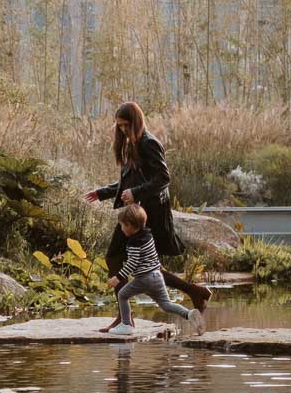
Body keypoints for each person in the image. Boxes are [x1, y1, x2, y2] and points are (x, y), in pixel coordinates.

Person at [85, 101, 212, 331]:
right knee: (146, 266)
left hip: (148, 214)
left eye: (125, 126)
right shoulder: (131, 144)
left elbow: (163, 178)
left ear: (135, 122)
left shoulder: (148, 143)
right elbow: (129, 181)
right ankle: (194, 291)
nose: (122, 130)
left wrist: (135, 193)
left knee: (118, 258)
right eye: (119, 127)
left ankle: (125, 318)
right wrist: (102, 192)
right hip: (137, 211)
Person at [104, 204, 204, 337]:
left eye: (122, 225)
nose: (121, 229)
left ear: (128, 225)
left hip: (144, 278)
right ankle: (189, 314)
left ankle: (126, 325)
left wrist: (118, 278)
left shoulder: (134, 242)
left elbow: (132, 263)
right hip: (157, 276)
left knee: (122, 295)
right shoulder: (148, 236)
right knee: (166, 305)